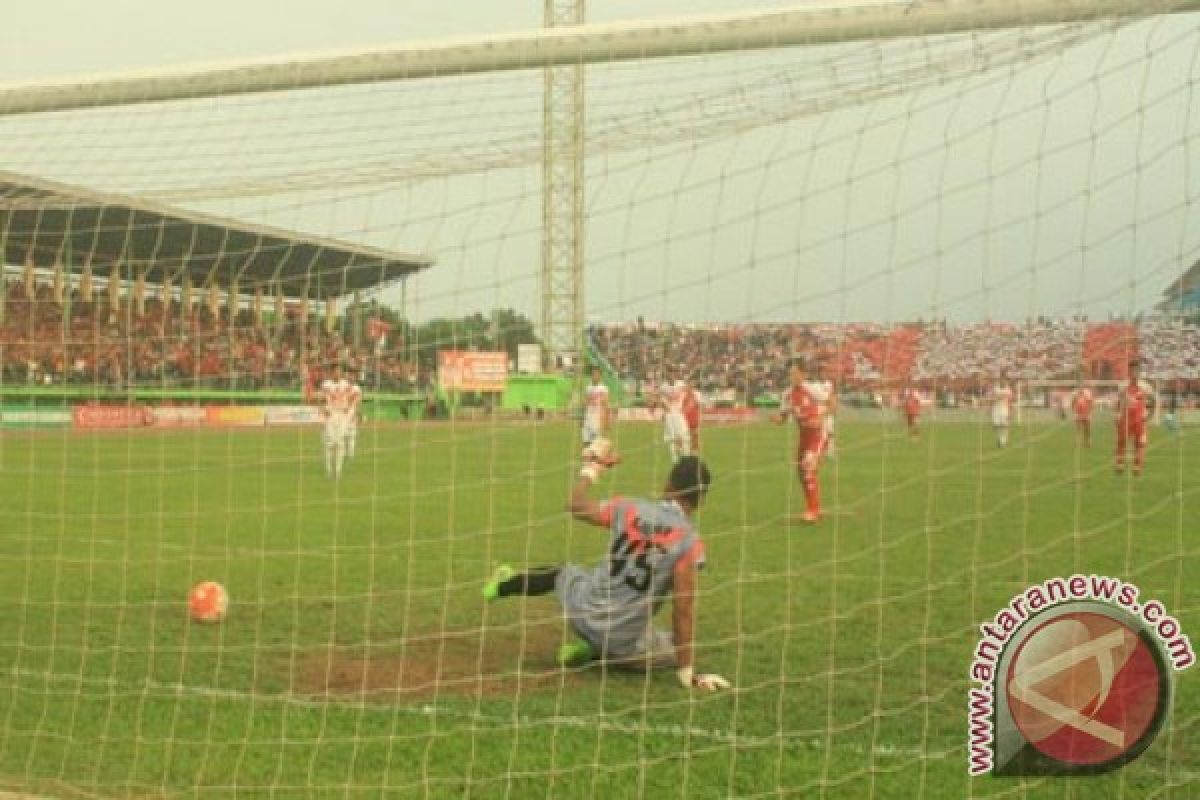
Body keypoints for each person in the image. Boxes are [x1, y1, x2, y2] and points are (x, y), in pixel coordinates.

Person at [482, 450, 730, 692]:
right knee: (679, 644)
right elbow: (682, 610)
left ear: (668, 485)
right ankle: (597, 649)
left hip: (582, 613)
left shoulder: (629, 508)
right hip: (623, 645)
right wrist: (687, 671)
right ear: (701, 500)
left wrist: (592, 469)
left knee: (561, 573)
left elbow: (575, 504)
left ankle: (503, 584)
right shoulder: (688, 541)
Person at [774, 358, 830, 524]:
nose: (792, 376)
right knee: (801, 472)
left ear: (804, 374)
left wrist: (820, 417)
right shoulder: (787, 394)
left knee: (807, 468)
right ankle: (812, 507)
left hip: (818, 434)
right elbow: (783, 416)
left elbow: (832, 402)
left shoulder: (813, 390)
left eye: (796, 373)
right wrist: (777, 419)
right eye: (791, 374)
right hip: (804, 436)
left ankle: (813, 511)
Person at [319, 363, 356, 479]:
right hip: (330, 415)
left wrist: (348, 408)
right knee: (330, 443)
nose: (337, 373)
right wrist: (323, 410)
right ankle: (329, 470)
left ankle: (338, 471)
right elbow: (320, 398)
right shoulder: (326, 384)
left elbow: (352, 397)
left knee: (340, 442)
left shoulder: (345, 384)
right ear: (331, 372)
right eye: (335, 371)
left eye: (339, 371)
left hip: (342, 415)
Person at [1115, 360, 1152, 475]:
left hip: (1140, 419)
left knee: (1139, 443)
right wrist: (1116, 414)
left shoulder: (1146, 386)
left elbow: (1152, 401)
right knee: (1122, 441)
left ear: (1139, 372)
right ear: (1129, 371)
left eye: (1136, 370)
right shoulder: (1122, 386)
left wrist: (1149, 415)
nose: (1134, 372)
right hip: (1126, 418)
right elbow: (1118, 402)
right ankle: (1119, 463)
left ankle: (1137, 466)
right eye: (1132, 370)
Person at [658, 374, 691, 463]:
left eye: (673, 373)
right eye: (669, 373)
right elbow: (661, 400)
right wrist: (664, 412)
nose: (671, 376)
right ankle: (674, 459)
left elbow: (688, 394)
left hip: (679, 414)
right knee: (671, 437)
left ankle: (686, 455)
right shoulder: (663, 387)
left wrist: (685, 407)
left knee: (684, 435)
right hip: (669, 414)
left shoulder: (680, 384)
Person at [581, 366, 611, 447]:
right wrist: (582, 418)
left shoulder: (603, 388)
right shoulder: (588, 388)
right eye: (593, 374)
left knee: (596, 444)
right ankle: (587, 459)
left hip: (597, 419)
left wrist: (607, 421)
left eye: (597, 374)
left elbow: (606, 405)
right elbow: (585, 403)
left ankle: (595, 458)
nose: (595, 376)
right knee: (586, 442)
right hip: (588, 418)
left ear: (600, 376)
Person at [990, 379, 1014, 448]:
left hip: (1004, 409)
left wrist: (1010, 411)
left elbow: (1010, 401)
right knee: (995, 425)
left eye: (1004, 381)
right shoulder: (995, 388)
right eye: (1001, 380)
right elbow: (991, 397)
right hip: (996, 409)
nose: (1003, 382)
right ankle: (999, 439)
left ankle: (1003, 441)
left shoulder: (1008, 390)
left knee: (1005, 425)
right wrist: (990, 408)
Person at [1071, 382, 1094, 448]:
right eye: (1079, 386)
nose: (1080, 388)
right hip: (1078, 414)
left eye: (1081, 386)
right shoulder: (1075, 393)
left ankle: (1088, 442)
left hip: (1086, 413)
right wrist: (1074, 411)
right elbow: (1072, 402)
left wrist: (1090, 412)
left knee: (1087, 429)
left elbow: (1091, 402)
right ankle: (1078, 442)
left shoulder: (1087, 393)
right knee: (1078, 429)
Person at [681, 379, 702, 454]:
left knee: (695, 434)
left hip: (694, 416)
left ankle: (694, 450)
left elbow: (699, 404)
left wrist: (692, 403)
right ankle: (685, 450)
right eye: (688, 384)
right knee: (684, 435)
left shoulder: (697, 394)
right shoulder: (683, 394)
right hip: (685, 417)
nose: (690, 386)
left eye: (692, 384)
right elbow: (681, 405)